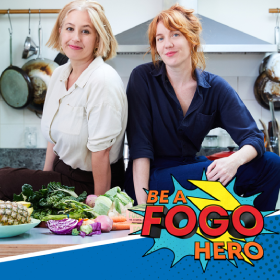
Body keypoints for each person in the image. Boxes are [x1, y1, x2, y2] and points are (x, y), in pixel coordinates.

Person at [124, 4, 280, 211]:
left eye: (175, 35)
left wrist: (233, 162)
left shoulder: (214, 87)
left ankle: (253, 230)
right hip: (152, 179)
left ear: (192, 39)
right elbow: (140, 149)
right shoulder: (142, 78)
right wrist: (143, 210)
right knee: (211, 174)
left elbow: (253, 137)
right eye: (160, 38)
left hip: (190, 169)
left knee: (271, 163)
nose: (167, 44)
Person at [0, 0, 127, 200]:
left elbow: (102, 154)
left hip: (89, 183)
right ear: (60, 31)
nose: (75, 38)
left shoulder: (103, 81)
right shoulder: (59, 74)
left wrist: (101, 208)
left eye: (86, 31)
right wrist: (42, 183)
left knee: (3, 180)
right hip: (60, 176)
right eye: (70, 28)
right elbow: (53, 141)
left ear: (98, 38)